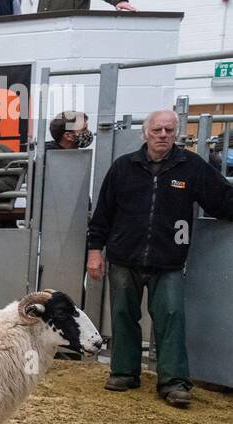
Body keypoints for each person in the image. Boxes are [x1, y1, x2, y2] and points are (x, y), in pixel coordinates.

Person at [87, 109, 233, 406]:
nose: (163, 135)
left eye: (169, 130)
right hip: (124, 256)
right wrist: (94, 251)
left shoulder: (191, 166)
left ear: (177, 134)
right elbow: (102, 214)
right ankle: (124, 372)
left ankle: (174, 382)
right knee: (123, 315)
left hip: (168, 259)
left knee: (171, 318)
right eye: (157, 130)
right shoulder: (122, 167)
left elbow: (222, 199)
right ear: (146, 133)